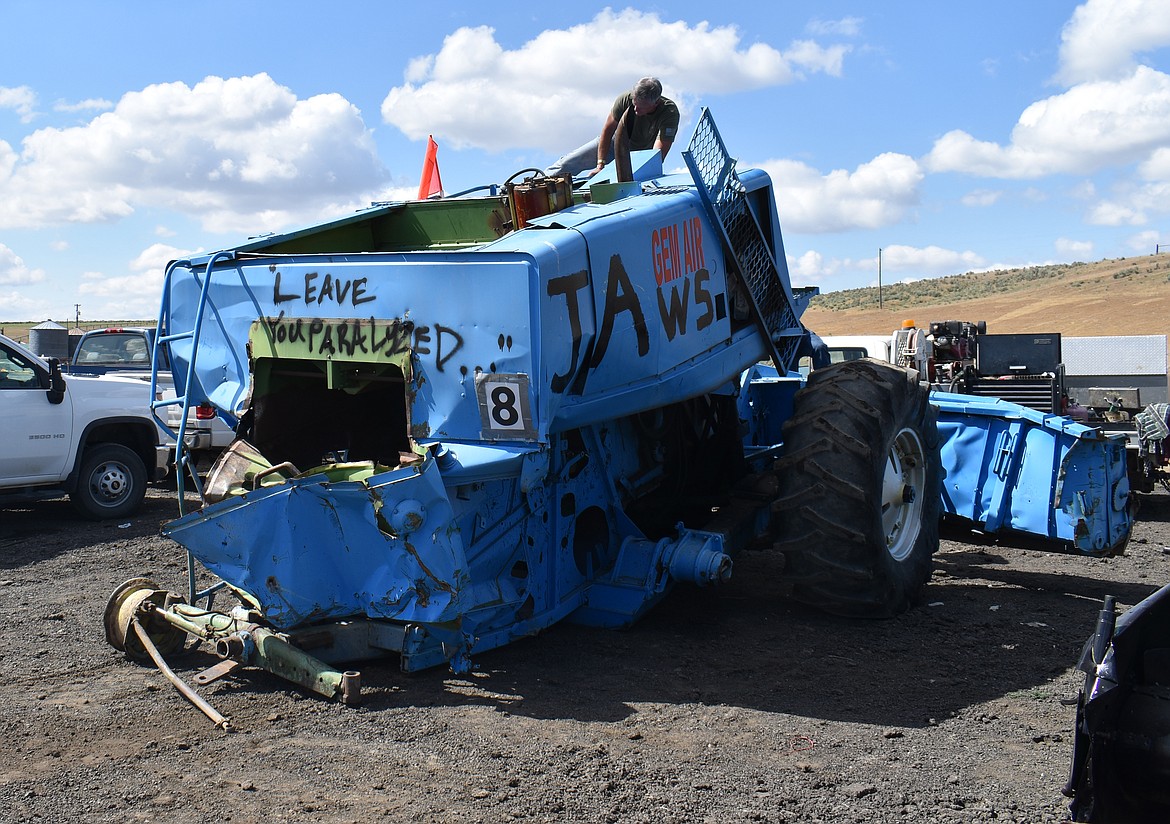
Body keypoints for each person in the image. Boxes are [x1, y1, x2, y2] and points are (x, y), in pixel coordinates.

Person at [546, 77, 680, 178]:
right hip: (614, 143)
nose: (635, 108)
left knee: (628, 179)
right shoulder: (625, 99)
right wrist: (600, 164)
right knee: (566, 165)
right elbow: (607, 131)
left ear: (656, 103)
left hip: (640, 154)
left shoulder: (669, 112)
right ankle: (537, 184)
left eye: (641, 106)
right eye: (634, 103)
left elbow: (657, 154)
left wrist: (639, 174)